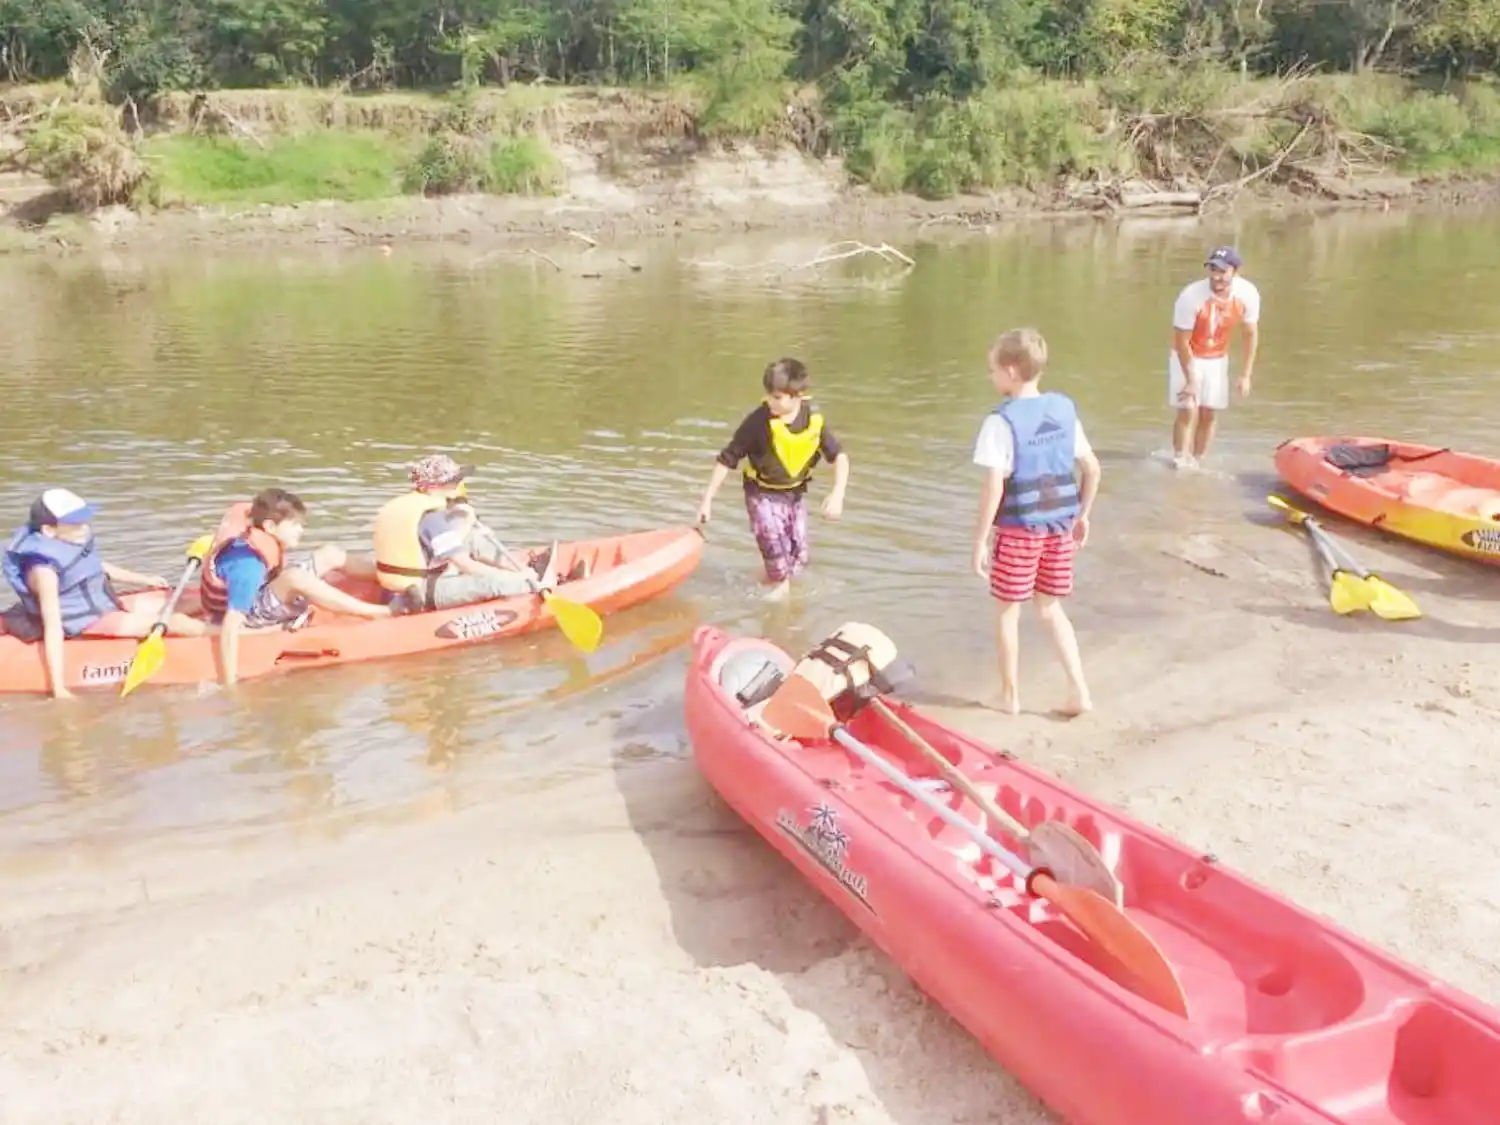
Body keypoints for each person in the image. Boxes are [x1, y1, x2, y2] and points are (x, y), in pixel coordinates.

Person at [971, 328, 1100, 718]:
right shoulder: (1063, 409)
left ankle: (1009, 696)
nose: (991, 377)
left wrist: (978, 541)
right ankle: (1079, 689)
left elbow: (994, 486)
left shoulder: (1000, 421)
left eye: (993, 370)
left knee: (1008, 611)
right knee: (1050, 609)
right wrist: (1083, 514)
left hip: (1019, 529)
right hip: (1060, 526)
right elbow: (1092, 468)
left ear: (1011, 371)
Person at [1, 488, 210, 699]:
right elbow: (53, 624)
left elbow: (94, 566)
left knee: (193, 600)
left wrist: (144, 579)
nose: (84, 527)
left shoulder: (68, 540)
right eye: (75, 523)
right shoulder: (43, 571)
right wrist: (59, 688)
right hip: (87, 620)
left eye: (83, 520)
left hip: (104, 603)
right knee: (177, 621)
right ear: (48, 530)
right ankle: (234, 636)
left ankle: (232, 619)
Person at [200, 487, 391, 686]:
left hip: (260, 591)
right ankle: (376, 612)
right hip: (250, 617)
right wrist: (229, 684)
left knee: (330, 554)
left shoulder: (256, 538)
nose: (301, 530)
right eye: (295, 525)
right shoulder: (248, 566)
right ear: (270, 527)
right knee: (295, 577)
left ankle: (396, 576)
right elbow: (231, 626)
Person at [696, 357, 850, 600]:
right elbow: (727, 459)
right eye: (769, 395)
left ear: (798, 395)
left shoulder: (813, 422)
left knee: (799, 560)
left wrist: (837, 494)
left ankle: (765, 581)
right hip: (761, 494)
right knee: (777, 559)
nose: (771, 402)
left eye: (778, 397)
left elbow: (839, 457)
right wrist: (707, 501)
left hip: (793, 495)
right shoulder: (758, 423)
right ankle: (776, 607)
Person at [374, 454, 564, 615]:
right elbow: (466, 565)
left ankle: (521, 568)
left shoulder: (409, 505)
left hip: (403, 586)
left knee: (472, 537)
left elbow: (442, 541)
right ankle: (532, 583)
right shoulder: (431, 518)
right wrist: (505, 579)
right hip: (422, 593)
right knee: (488, 582)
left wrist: (465, 517)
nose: (459, 485)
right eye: (454, 482)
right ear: (433, 487)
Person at [1168, 245, 1261, 469]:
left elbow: (1250, 334)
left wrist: (1245, 374)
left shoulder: (1247, 294)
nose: (1216, 277)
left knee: (1209, 412)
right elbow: (1181, 340)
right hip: (1188, 354)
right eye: (1212, 270)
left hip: (1217, 358)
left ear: (1235, 271)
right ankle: (1180, 460)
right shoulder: (1191, 296)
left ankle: (1199, 460)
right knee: (1188, 408)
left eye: (1222, 271)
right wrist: (1191, 378)